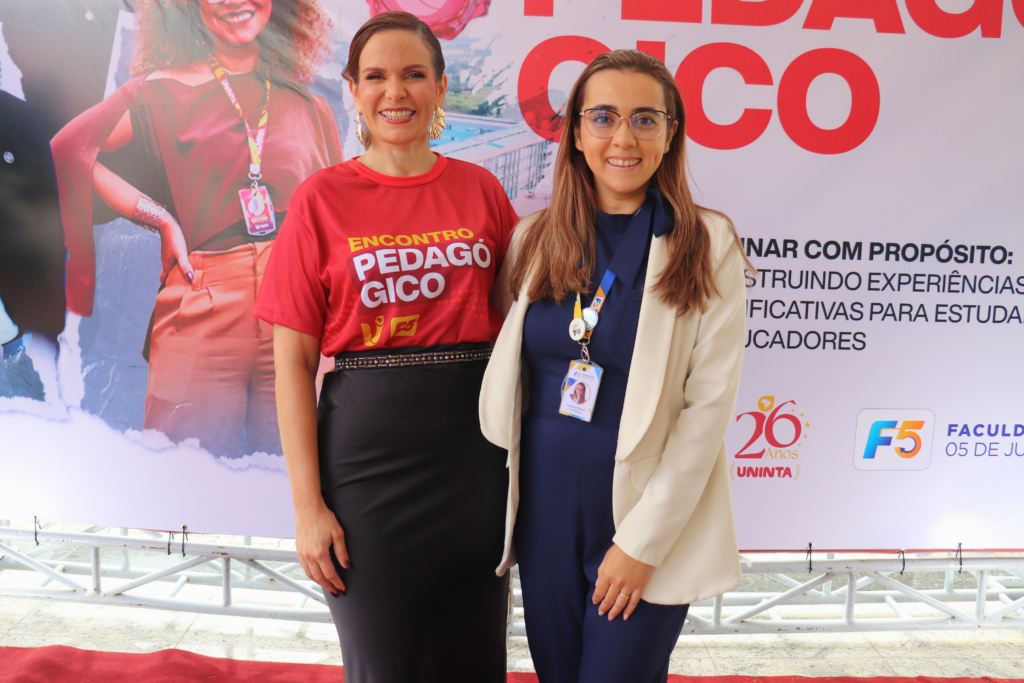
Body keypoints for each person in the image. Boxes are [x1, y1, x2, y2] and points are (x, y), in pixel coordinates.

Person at [252, 12, 517, 682]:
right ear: (353, 89)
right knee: (384, 664)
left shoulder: (481, 190)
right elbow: (292, 365)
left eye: (413, 74)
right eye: (375, 76)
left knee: (473, 661)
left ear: (440, 87)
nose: (394, 92)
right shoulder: (320, 200)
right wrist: (308, 508)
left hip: (476, 461)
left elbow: (523, 319)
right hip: (365, 469)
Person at [480, 50, 753, 682]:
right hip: (544, 506)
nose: (623, 138)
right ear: (576, 133)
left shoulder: (706, 243)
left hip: (644, 510)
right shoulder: (533, 240)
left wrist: (640, 544)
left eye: (644, 119)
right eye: (603, 117)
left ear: (670, 134)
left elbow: (707, 412)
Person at [50, 0, 342, 457]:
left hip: (299, 308)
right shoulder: (159, 92)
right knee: (183, 476)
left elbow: (336, 230)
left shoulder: (309, 105)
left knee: (298, 480)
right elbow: (70, 149)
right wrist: (158, 217)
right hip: (204, 295)